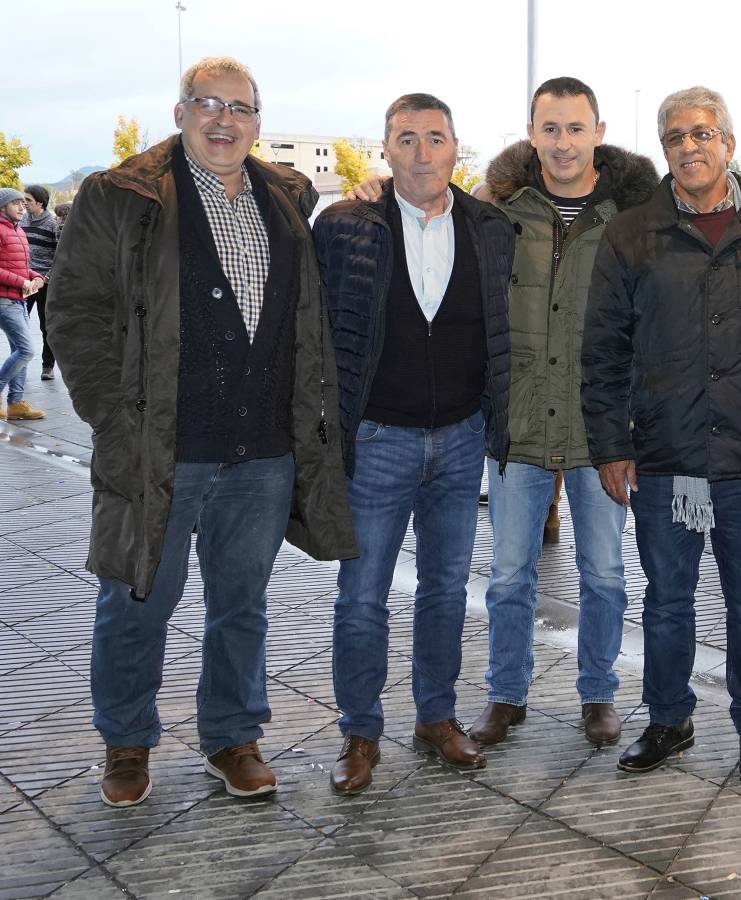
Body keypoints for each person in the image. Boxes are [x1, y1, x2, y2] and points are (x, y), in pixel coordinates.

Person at [46, 56, 357, 806]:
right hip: (159, 449)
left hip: (261, 451)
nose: (225, 120)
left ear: (258, 120)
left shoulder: (286, 198)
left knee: (242, 603)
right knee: (137, 596)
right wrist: (113, 422)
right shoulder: (121, 195)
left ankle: (232, 736)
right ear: (181, 111)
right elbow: (76, 312)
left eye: (241, 108)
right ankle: (126, 742)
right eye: (208, 104)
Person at [582, 85, 741, 787]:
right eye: (675, 137)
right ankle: (669, 719)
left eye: (702, 134)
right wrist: (611, 446)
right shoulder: (632, 233)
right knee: (667, 600)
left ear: (729, 144)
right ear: (665, 149)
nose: (689, 147)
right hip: (666, 455)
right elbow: (604, 348)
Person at [314, 93, 514, 794]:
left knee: (446, 590)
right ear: (386, 149)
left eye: (435, 138)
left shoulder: (491, 228)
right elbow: (315, 330)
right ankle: (360, 731)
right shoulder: (343, 225)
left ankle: (436, 717)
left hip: (461, 439)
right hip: (377, 440)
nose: (423, 152)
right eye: (408, 139)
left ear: (457, 148)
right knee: (362, 595)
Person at [465, 77, 657, 749]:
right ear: (532, 132)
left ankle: (598, 693)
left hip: (601, 429)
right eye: (550, 129)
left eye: (576, 128)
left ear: (598, 132)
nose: (564, 143)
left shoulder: (635, 219)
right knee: (510, 575)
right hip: (517, 423)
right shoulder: (496, 211)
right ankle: (505, 694)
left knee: (603, 573)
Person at [0, 187, 43, 420]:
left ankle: (15, 404)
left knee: (20, 350)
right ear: (2, 207)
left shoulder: (18, 231)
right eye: (15, 203)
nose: (21, 206)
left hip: (18, 298)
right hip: (4, 299)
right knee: (26, 350)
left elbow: (17, 266)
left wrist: (37, 276)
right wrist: (21, 281)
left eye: (22, 203)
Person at [21, 185, 59, 380]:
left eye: (28, 200)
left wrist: (47, 278)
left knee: (47, 326)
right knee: (19, 323)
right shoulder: (21, 221)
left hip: (45, 282)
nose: (24, 203)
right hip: (24, 281)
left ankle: (48, 366)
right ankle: (20, 363)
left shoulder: (52, 224)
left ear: (40, 202)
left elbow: (60, 254)